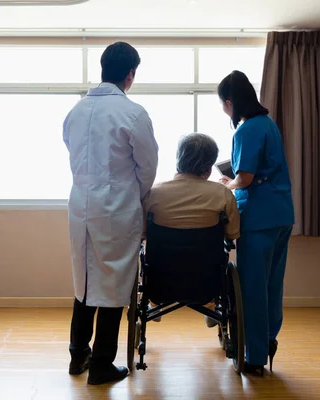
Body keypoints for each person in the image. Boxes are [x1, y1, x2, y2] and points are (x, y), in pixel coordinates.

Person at [62, 42, 159, 385]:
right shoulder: (133, 113)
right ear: (130, 74)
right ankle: (102, 363)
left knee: (85, 281)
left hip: (80, 206)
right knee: (114, 284)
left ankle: (77, 356)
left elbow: (72, 150)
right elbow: (147, 168)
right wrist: (136, 194)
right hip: (116, 206)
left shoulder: (75, 111)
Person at [216, 70, 294, 376]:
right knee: (273, 285)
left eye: (223, 104)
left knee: (253, 287)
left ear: (231, 101)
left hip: (259, 217)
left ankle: (255, 356)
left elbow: (245, 179)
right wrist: (236, 180)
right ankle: (268, 341)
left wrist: (227, 184)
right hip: (282, 214)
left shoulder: (246, 130)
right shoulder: (269, 125)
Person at [144, 133, 240, 323]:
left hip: (161, 281)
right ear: (209, 165)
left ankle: (154, 304)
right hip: (205, 283)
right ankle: (211, 306)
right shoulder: (222, 194)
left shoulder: (153, 193)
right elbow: (232, 233)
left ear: (179, 158)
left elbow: (142, 233)